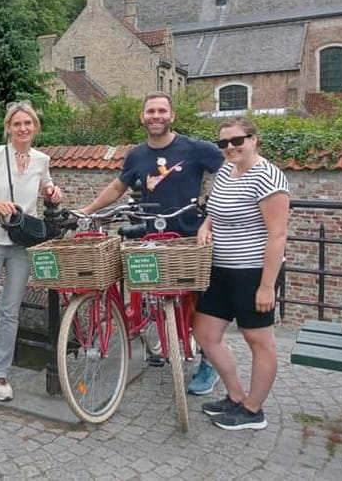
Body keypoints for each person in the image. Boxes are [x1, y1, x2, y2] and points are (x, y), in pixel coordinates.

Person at [79, 91, 224, 393]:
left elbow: (229, 171)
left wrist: (211, 205)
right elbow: (119, 186)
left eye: (161, 111)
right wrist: (88, 210)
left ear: (172, 116)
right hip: (151, 236)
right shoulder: (137, 155)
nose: (156, 116)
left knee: (200, 305)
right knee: (150, 291)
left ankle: (209, 364)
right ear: (142, 117)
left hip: (188, 237)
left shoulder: (196, 148)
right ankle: (159, 334)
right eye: (150, 111)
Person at [0, 101, 62, 423]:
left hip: (21, 244)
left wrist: (52, 192)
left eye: (28, 124)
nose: (23, 129)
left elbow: (45, 187)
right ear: (8, 127)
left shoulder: (41, 160)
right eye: (17, 124)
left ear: (35, 128)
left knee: (9, 313)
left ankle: (0, 374)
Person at [194, 116, 289, 430]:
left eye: (237, 141)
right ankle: (235, 396)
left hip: (253, 271)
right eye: (223, 143)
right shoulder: (225, 170)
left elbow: (277, 235)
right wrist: (206, 227)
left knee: (258, 340)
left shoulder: (268, 177)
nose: (230, 148)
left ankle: (253, 410)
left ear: (254, 140)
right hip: (221, 268)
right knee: (205, 334)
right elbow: (214, 210)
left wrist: (266, 286)